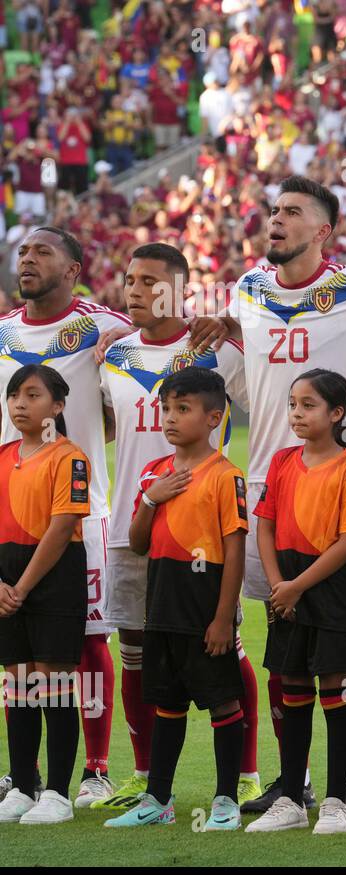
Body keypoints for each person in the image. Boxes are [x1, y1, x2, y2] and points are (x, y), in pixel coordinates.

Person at [187, 176, 346, 816]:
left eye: (292, 212)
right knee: (279, 630)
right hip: (264, 488)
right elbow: (238, 364)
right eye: (273, 210)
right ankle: (292, 780)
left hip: (337, 489)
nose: (276, 220)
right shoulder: (247, 291)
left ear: (323, 230)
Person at [92, 243, 258, 813]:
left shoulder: (218, 348)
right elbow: (110, 429)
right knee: (138, 650)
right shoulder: (113, 356)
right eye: (129, 279)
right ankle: (145, 776)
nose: (134, 290)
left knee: (224, 650)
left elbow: (264, 408)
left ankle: (248, 775)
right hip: (134, 522)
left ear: (181, 289)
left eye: (149, 281)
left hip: (204, 527)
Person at [1, 227, 131, 809]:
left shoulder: (105, 326)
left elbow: (135, 397)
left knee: (87, 639)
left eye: (42, 251)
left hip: (82, 512)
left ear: (74, 268)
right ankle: (23, 776)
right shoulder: (2, 332)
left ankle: (95, 770)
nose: (27, 260)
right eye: (23, 251)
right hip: (11, 509)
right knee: (19, 651)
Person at [104, 368, 249, 831]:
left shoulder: (226, 476)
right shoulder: (155, 475)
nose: (169, 418)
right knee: (167, 704)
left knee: (224, 704)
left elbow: (234, 549)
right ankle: (157, 800)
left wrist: (224, 618)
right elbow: (139, 543)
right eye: (166, 408)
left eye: (182, 409)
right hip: (162, 608)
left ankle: (226, 800)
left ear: (214, 418)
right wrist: (151, 499)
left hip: (205, 609)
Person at [246, 370, 346, 835]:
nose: (297, 414)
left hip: (327, 588)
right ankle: (292, 799)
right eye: (293, 404)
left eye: (308, 405)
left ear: (336, 414)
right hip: (287, 588)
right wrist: (280, 582)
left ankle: (339, 798)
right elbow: (264, 525)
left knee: (336, 688)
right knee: (292, 685)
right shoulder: (281, 461)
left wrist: (298, 585)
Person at [0, 366, 91, 824]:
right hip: (6, 580)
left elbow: (61, 528)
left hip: (53, 578)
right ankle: (21, 784)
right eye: (14, 394)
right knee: (17, 687)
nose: (19, 403)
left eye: (32, 395)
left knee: (52, 687)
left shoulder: (69, 457)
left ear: (57, 406)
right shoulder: (2, 455)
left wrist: (21, 587)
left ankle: (57, 792)